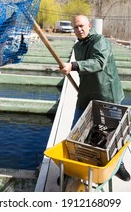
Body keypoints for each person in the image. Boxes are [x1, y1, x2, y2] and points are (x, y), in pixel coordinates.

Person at [60, 14, 130, 182]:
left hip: (107, 94)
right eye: (76, 27)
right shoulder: (77, 47)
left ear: (89, 25)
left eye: (82, 26)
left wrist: (74, 66)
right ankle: (71, 167)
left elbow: (99, 63)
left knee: (114, 135)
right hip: (87, 94)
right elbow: (84, 72)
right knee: (75, 132)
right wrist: (71, 69)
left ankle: (119, 165)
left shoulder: (100, 41)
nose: (79, 29)